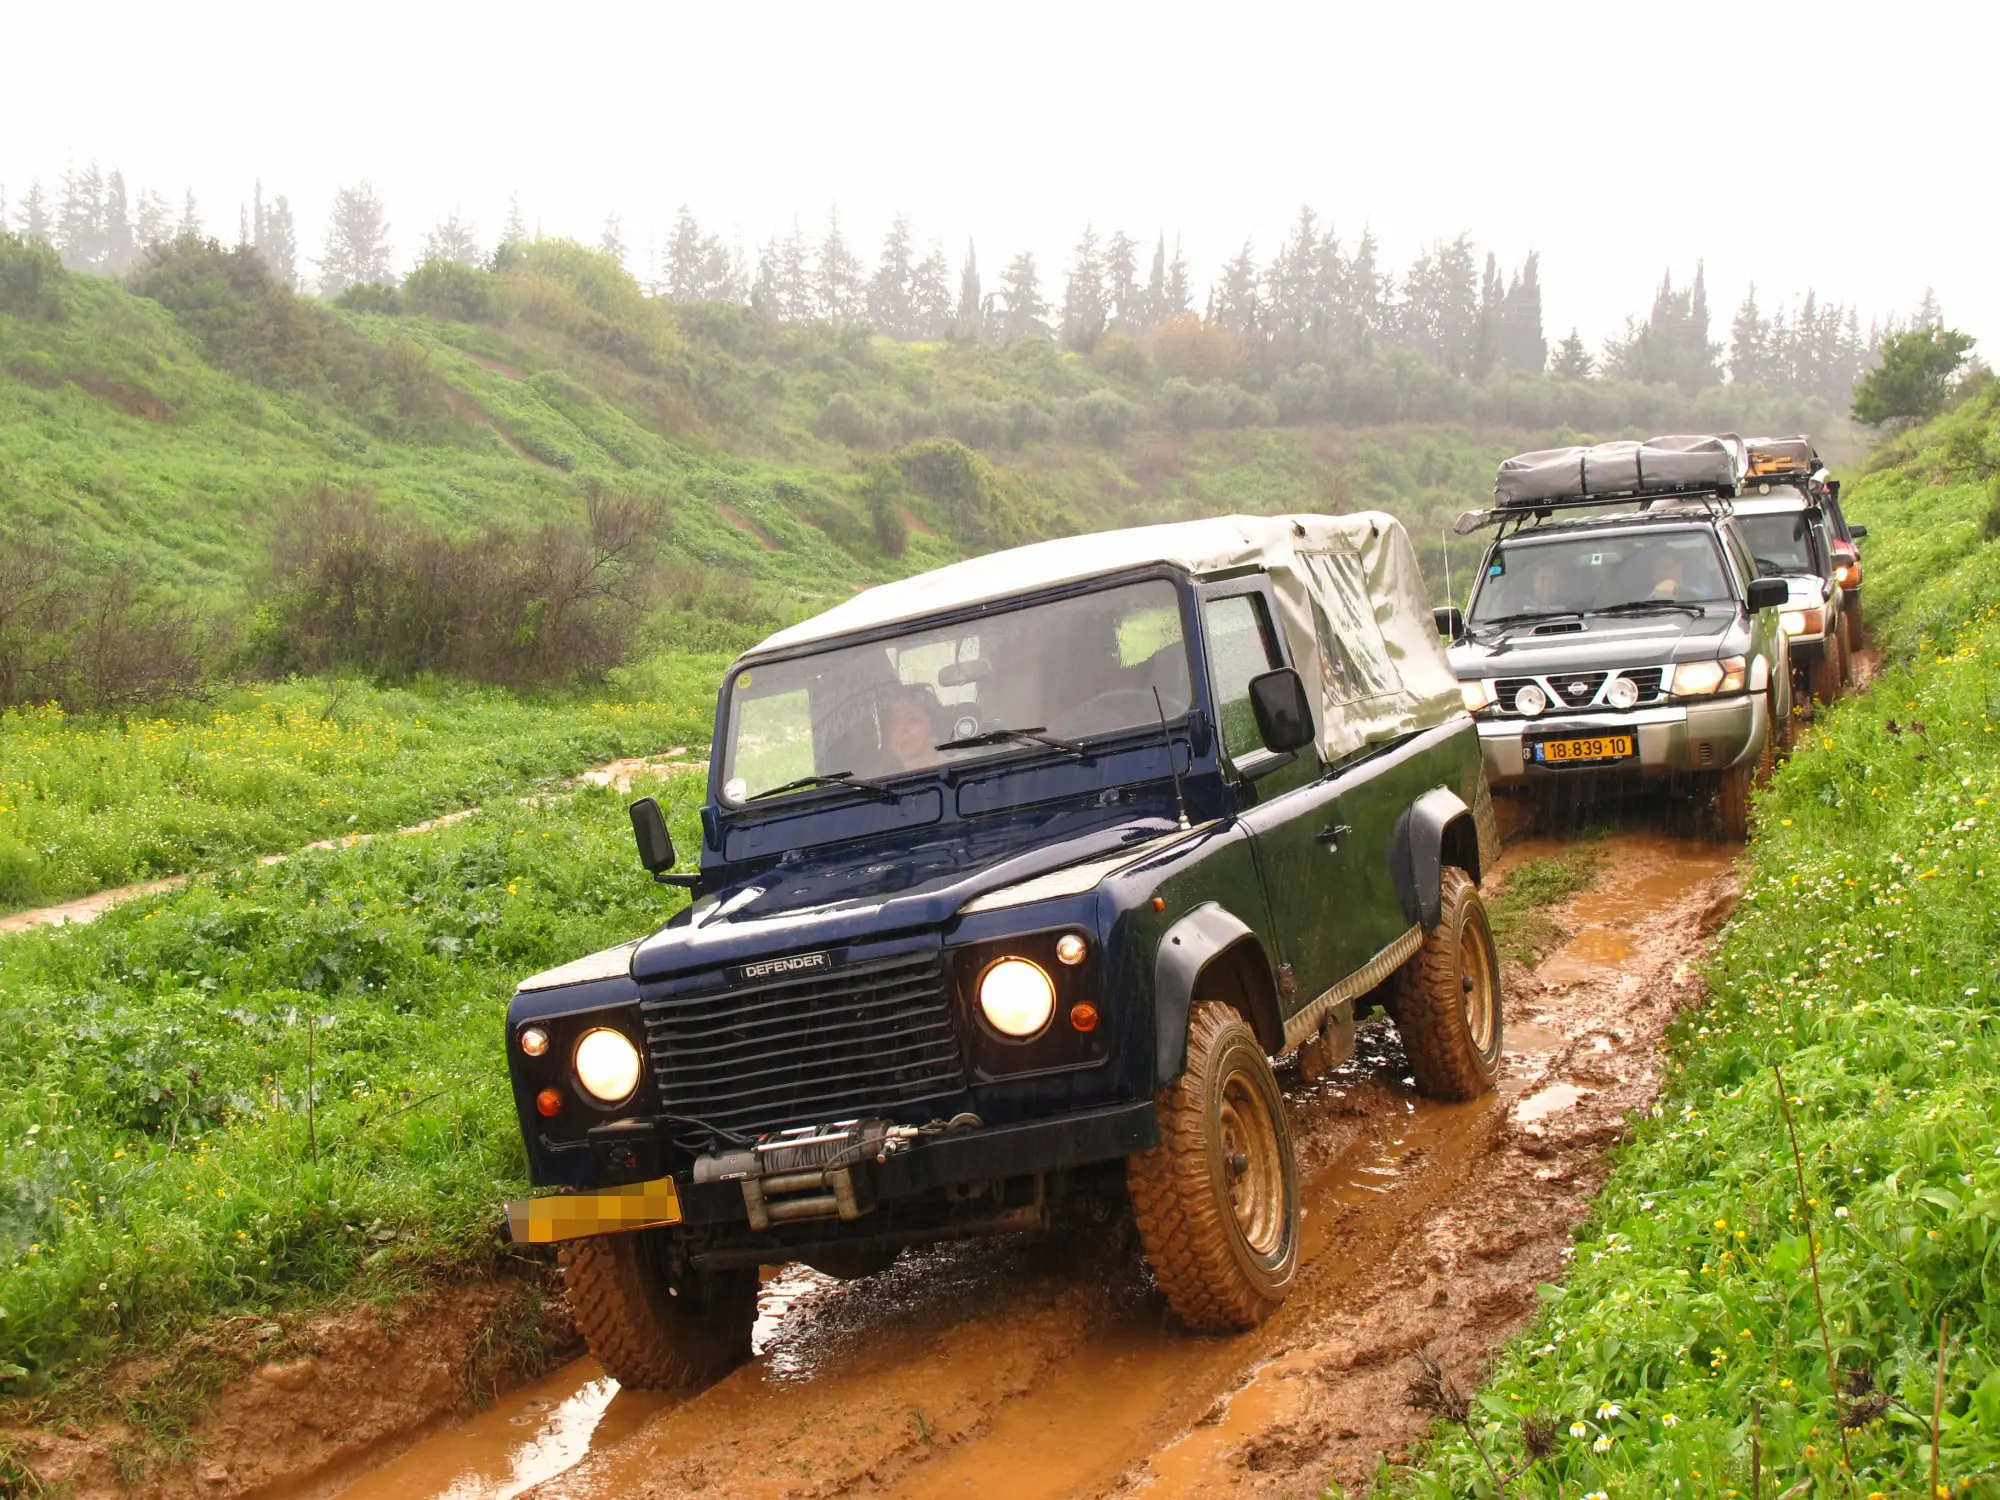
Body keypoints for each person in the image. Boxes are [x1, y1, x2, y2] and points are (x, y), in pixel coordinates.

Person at [881, 688, 937, 772]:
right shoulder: (874, 781)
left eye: (912, 720)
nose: (902, 729)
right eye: (894, 723)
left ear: (933, 727)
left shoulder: (960, 768)